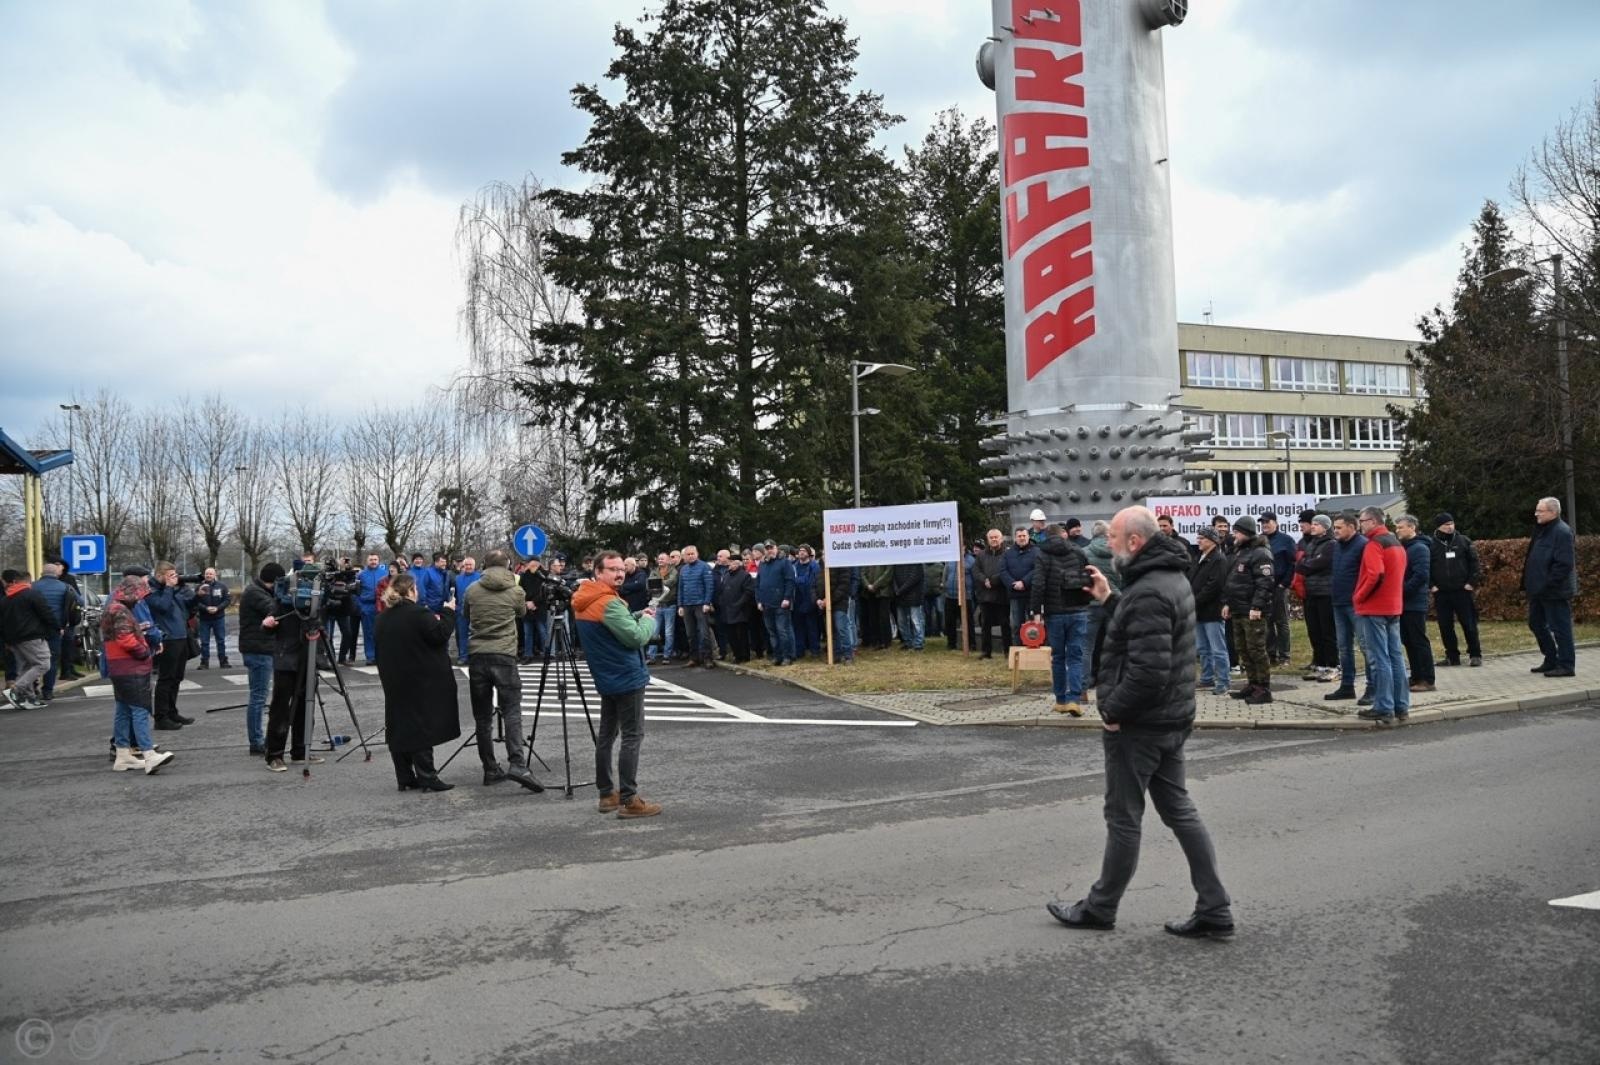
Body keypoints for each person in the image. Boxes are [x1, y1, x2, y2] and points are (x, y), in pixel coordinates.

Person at [1047, 507, 1233, 939]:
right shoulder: (1169, 577)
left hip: (1142, 725)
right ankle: (1215, 907)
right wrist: (1110, 598)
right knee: (1180, 811)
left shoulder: (1150, 589)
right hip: (1170, 718)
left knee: (1124, 817)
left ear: (1134, 542)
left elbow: (1149, 671)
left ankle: (1100, 906)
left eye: (1113, 538)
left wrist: (1113, 711)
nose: (1108, 545)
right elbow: (1146, 633)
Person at [573, 551, 662, 818]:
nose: (620, 573)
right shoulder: (609, 603)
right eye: (612, 569)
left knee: (607, 736)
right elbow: (635, 638)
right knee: (632, 736)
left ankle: (606, 793)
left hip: (606, 676)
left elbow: (609, 626)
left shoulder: (586, 599)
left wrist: (633, 614)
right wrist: (647, 620)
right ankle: (629, 799)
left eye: (622, 568)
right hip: (626, 675)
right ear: (598, 572)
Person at [461, 549, 543, 791]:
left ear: (484, 565)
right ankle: (517, 763)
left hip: (478, 655)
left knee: (482, 717)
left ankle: (490, 768)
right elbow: (521, 612)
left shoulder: (471, 590)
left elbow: (466, 615)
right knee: (512, 711)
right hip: (505, 655)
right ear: (508, 565)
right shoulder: (517, 591)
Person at [375, 573, 460, 792]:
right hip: (419, 679)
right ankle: (427, 776)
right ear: (411, 590)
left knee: (399, 725)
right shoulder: (419, 613)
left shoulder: (384, 616)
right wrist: (449, 611)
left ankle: (404, 776)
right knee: (421, 727)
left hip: (394, 678)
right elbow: (439, 635)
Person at [100, 575, 176, 774]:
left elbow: (121, 636)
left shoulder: (113, 607)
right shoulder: (121, 611)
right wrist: (144, 652)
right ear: (131, 592)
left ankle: (123, 754)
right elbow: (126, 640)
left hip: (119, 667)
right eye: (139, 595)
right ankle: (149, 754)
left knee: (124, 710)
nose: (140, 599)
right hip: (131, 667)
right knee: (140, 709)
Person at [260, 576, 324, 773]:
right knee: (280, 708)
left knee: (307, 706)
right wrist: (267, 624)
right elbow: (268, 627)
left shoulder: (319, 599)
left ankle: (300, 751)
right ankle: (275, 755)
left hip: (309, 656)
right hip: (286, 658)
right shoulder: (282, 600)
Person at [1353, 507, 1410, 726]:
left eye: (1363, 520)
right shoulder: (1395, 543)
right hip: (1393, 606)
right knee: (1396, 656)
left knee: (1381, 658)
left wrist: (1359, 596)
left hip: (1375, 607)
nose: (1361, 525)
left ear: (1374, 521)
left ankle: (1384, 706)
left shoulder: (1374, 544)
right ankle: (1401, 705)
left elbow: (1375, 574)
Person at [1029, 523, 1092, 715]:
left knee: (1058, 657)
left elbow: (1038, 584)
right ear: (1063, 534)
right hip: (1078, 610)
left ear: (1046, 537)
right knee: (1076, 656)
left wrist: (1036, 613)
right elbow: (1088, 575)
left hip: (1054, 612)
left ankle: (1060, 700)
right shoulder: (1078, 551)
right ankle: (1075, 699)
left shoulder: (1042, 554)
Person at [1222, 516, 1276, 704]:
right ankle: (1252, 684)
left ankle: (1264, 688)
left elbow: (1265, 582)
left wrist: (1257, 606)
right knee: (1243, 649)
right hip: (1238, 609)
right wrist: (1228, 603)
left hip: (1252, 611)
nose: (1234, 535)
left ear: (1246, 532)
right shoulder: (1240, 552)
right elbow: (1233, 581)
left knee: (1256, 649)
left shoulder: (1260, 553)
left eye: (1237, 531)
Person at [1524, 496, 1578, 678]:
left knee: (1560, 628)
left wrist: (1548, 584)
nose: (1536, 514)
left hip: (1554, 591)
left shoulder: (1562, 532)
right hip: (1538, 590)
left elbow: (1564, 564)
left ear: (1553, 512)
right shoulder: (1541, 530)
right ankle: (1551, 658)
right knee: (1536, 623)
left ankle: (1566, 665)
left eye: (1540, 511)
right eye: (1537, 510)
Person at [1324, 512, 1371, 703]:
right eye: (1334, 527)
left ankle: (1372, 687)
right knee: (1344, 647)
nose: (1335, 531)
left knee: (1366, 647)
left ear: (1352, 527)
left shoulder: (1363, 545)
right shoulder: (1337, 546)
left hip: (1356, 604)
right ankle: (1347, 685)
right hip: (1339, 602)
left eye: (1339, 527)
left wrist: (1359, 596)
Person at [237, 562, 282, 755]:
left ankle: (257, 739)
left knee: (259, 696)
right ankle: (256, 741)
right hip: (258, 650)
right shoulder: (256, 593)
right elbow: (273, 609)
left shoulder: (258, 590)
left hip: (260, 648)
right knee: (258, 697)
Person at [145, 563, 197, 730]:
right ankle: (161, 717)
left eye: (176, 575)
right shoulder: (151, 591)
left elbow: (186, 607)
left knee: (176, 678)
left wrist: (198, 596)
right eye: (171, 575)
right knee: (166, 679)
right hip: (168, 639)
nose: (175, 578)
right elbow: (162, 607)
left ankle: (172, 711)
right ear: (161, 575)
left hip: (180, 636)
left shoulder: (172, 590)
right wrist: (168, 588)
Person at [1429, 513, 1483, 668]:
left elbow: (1474, 563)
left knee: (1469, 624)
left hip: (1462, 590)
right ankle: (1452, 656)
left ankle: (1475, 654)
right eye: (1446, 524)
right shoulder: (1432, 544)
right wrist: (1431, 585)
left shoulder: (1463, 541)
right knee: (1445, 626)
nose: (1450, 527)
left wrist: (1471, 583)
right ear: (1438, 526)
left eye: (1452, 523)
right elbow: (1427, 567)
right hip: (1441, 592)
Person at [1, 570, 56, 710]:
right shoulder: (32, 594)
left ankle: (29, 698)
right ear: (25, 582)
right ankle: (16, 690)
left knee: (26, 666)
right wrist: (56, 628)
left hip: (14, 640)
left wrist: (6, 641)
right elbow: (46, 612)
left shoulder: (6, 599)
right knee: (43, 664)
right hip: (32, 636)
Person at [1394, 515, 1436, 693]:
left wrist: (1402, 591)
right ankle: (1416, 676)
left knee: (1418, 641)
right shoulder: (1404, 548)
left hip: (1414, 602)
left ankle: (1427, 679)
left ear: (1412, 528)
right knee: (1408, 641)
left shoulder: (1419, 548)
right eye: (1396, 527)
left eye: (1401, 527)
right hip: (1404, 602)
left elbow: (1420, 576)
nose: (1397, 530)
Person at [1295, 515, 1339, 683]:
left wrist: (1307, 564)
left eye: (1316, 524)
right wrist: (1307, 564)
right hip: (1311, 591)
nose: (1312, 526)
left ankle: (1333, 665)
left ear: (1325, 527)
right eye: (1312, 524)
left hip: (1325, 592)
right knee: (1314, 631)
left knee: (1327, 631)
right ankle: (1319, 664)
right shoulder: (1311, 543)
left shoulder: (1330, 545)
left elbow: (1319, 564)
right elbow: (1301, 563)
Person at [31, 562, 79, 701]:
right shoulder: (65, 587)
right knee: (52, 659)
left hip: (34, 629)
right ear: (57, 574)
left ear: (42, 573)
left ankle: (33, 686)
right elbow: (79, 602)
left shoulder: (32, 587)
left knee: (34, 659)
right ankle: (48, 690)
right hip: (56, 628)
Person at [1190, 527, 1230, 696]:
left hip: (1212, 610)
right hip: (1199, 611)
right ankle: (1207, 678)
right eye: (1198, 537)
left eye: (1202, 538)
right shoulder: (1200, 557)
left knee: (1218, 648)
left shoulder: (1218, 559)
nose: (1198, 541)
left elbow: (1214, 585)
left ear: (1212, 541)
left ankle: (1223, 681)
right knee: (1203, 648)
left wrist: (1194, 600)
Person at [1260, 513, 1296, 666]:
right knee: (1266, 622)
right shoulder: (1260, 540)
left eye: (1267, 522)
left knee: (1281, 622)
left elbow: (1292, 563)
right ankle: (1271, 654)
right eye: (1262, 523)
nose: (1265, 525)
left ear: (1275, 522)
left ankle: (1284, 656)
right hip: (1264, 587)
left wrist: (1284, 584)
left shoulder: (1286, 540)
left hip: (1279, 586)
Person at [755, 541, 796, 666]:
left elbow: (790, 581)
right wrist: (759, 601)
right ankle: (777, 655)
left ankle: (787, 656)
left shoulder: (784, 562)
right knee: (772, 632)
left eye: (771, 548)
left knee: (782, 630)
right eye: (767, 548)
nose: (769, 550)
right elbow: (758, 584)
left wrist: (787, 598)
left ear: (776, 548)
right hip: (767, 604)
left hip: (781, 603)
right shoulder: (762, 564)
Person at [675, 544, 716, 668]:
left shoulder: (704, 567)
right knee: (690, 634)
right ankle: (694, 658)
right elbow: (680, 588)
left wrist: (707, 602)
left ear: (697, 554)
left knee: (704, 633)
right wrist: (680, 605)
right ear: (684, 556)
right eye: (688, 554)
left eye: (693, 553)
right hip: (687, 605)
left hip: (700, 604)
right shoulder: (683, 569)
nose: (691, 556)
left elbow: (709, 586)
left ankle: (708, 658)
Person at [973, 529, 1010, 659]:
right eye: (991, 537)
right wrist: (984, 580)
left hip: (1002, 594)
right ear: (988, 539)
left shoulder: (1007, 554)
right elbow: (976, 571)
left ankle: (1007, 651)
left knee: (1005, 624)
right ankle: (986, 651)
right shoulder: (981, 555)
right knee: (985, 624)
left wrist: (993, 581)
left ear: (1001, 539)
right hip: (985, 595)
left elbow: (1008, 570)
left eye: (996, 537)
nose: (994, 539)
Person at [716, 549, 756, 663]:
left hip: (740, 611)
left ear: (738, 564)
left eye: (733, 562)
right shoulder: (727, 575)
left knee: (742, 635)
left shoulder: (745, 576)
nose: (730, 564)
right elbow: (722, 590)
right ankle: (737, 655)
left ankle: (745, 655)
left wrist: (738, 604)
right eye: (730, 562)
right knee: (731, 635)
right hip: (727, 610)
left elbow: (748, 592)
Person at [191, 567, 232, 670]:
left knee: (221, 640)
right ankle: (204, 662)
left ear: (215, 575)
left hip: (219, 618)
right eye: (207, 574)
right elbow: (195, 602)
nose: (208, 575)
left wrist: (218, 608)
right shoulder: (199, 587)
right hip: (204, 618)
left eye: (210, 574)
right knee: (204, 641)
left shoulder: (222, 586)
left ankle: (223, 661)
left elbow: (227, 600)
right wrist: (205, 608)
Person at [1002, 526, 1037, 642]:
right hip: (1015, 595)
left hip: (1032, 594)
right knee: (1017, 625)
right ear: (1015, 538)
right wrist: (1013, 583)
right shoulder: (1008, 554)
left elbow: (1037, 569)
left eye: (1024, 536)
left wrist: (1024, 582)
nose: (1022, 538)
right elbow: (1003, 571)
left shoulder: (1036, 552)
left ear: (1028, 537)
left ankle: (1033, 651)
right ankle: (1018, 650)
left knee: (1033, 626)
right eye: (1019, 536)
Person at [791, 545, 822, 659]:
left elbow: (811, 582)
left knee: (812, 627)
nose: (802, 553)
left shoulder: (814, 566)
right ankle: (800, 651)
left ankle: (815, 650)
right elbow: (792, 581)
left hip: (810, 600)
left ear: (809, 553)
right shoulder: (794, 566)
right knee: (798, 628)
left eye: (804, 551)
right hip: (797, 600)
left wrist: (798, 580)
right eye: (800, 551)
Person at [944, 542, 976, 652]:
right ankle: (951, 643)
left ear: (964, 546)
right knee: (950, 621)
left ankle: (971, 644)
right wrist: (945, 585)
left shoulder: (971, 560)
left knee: (967, 622)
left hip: (965, 596)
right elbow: (946, 574)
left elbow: (974, 578)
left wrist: (971, 592)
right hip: (950, 595)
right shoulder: (950, 559)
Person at [646, 552, 678, 664]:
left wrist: (657, 583)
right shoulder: (654, 571)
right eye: (659, 559)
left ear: (668, 560)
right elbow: (649, 584)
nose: (660, 561)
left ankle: (667, 655)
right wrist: (658, 584)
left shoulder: (673, 571)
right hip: (657, 605)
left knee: (669, 632)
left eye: (662, 559)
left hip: (669, 605)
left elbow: (671, 582)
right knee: (654, 631)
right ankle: (651, 656)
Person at [355, 553, 385, 664]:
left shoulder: (384, 574)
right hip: (367, 606)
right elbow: (356, 592)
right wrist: (361, 605)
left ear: (379, 560)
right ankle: (371, 656)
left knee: (381, 632)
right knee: (368, 632)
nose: (373, 562)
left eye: (375, 559)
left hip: (382, 606)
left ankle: (381, 655)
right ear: (367, 561)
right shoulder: (361, 575)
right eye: (371, 559)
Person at [891, 562, 926, 651]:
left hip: (914, 596)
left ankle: (918, 644)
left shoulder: (916, 563)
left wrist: (899, 590)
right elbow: (893, 577)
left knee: (916, 621)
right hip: (900, 596)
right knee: (901, 622)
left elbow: (914, 578)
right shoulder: (897, 562)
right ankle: (907, 642)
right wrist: (896, 590)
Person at [453, 557, 480, 665]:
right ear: (463, 566)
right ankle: (463, 656)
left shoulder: (480, 577)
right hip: (461, 611)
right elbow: (453, 594)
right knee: (462, 634)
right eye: (466, 565)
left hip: (476, 610)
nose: (468, 567)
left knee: (476, 635)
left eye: (470, 565)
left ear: (474, 566)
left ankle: (475, 656)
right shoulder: (457, 578)